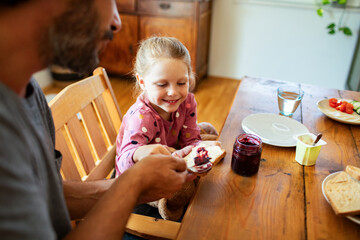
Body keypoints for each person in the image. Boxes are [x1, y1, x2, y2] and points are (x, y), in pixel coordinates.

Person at [0, 0, 196, 239]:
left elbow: (45, 196)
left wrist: (137, 185)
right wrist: (132, 184)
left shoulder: (28, 88)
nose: (117, 21)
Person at [115, 37, 220, 220]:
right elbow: (124, 165)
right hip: (138, 179)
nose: (173, 92)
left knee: (207, 133)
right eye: (162, 84)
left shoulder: (187, 102)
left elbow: (191, 138)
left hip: (172, 153)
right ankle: (167, 204)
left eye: (181, 83)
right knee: (185, 192)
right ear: (142, 82)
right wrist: (140, 152)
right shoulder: (141, 117)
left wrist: (193, 149)